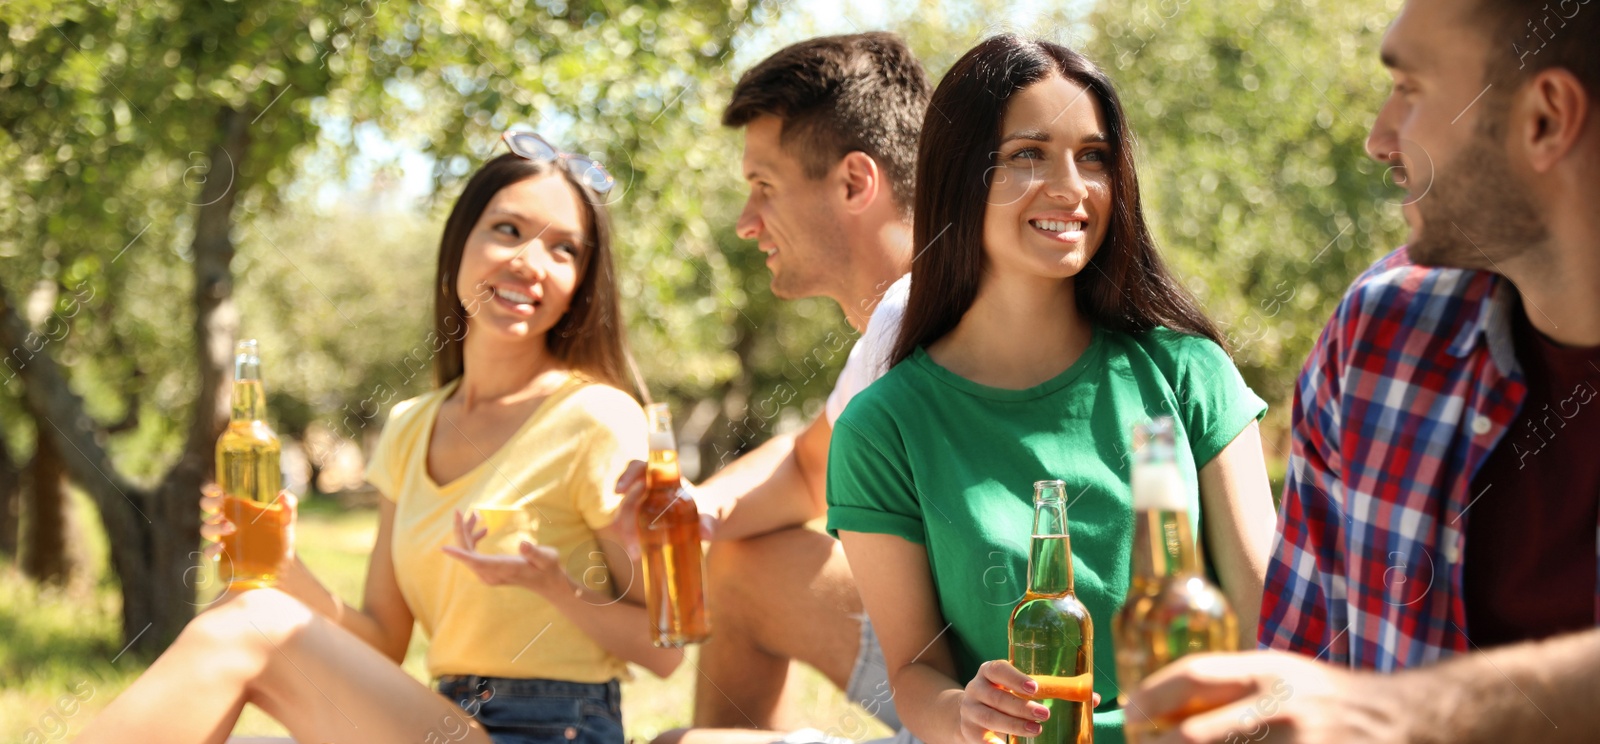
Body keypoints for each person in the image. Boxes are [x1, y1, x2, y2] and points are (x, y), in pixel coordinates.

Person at [77, 133, 682, 744]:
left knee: (247, 625)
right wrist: (287, 569)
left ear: (582, 281)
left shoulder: (599, 418)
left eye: (564, 249)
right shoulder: (411, 425)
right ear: (459, 244)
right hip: (452, 719)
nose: (530, 261)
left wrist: (558, 589)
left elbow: (666, 651)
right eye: (507, 230)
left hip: (556, 730)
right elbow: (383, 641)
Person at [1123, 0, 1600, 741]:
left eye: (1409, 89)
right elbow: (1298, 663)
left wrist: (1415, 713)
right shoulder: (1378, 336)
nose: (1380, 139)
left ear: (1544, 119)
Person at [826, 35, 1278, 744]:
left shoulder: (1191, 376)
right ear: (962, 176)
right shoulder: (882, 428)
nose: (1071, 187)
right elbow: (917, 670)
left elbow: (1271, 631)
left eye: (1092, 156)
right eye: (1028, 155)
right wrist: (964, 712)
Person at [611, 33, 930, 744]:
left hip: (999, 710)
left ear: (854, 183)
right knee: (743, 562)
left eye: (764, 187)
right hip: (969, 677)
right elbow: (807, 467)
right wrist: (699, 509)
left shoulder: (916, 318)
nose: (745, 222)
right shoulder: (904, 316)